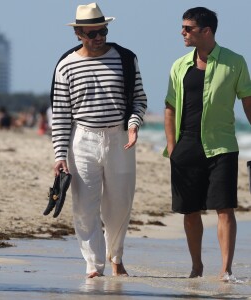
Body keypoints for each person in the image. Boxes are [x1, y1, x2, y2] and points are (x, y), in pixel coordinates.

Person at [50, 3, 147, 278]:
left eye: (102, 30)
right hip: (83, 140)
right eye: (92, 33)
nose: (99, 37)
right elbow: (60, 114)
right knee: (84, 206)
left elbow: (139, 99)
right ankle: (94, 264)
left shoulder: (126, 58)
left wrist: (133, 124)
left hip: (120, 139)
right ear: (79, 34)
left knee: (119, 205)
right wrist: (59, 155)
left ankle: (116, 257)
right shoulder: (65, 66)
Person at [164, 7, 251, 281]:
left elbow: (248, 102)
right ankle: (196, 266)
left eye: (188, 28)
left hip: (222, 145)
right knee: (190, 210)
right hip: (186, 146)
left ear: (207, 31)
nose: (183, 32)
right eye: (183, 27)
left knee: (224, 208)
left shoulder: (235, 62)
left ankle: (225, 270)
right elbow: (169, 107)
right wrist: (172, 147)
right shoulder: (179, 65)